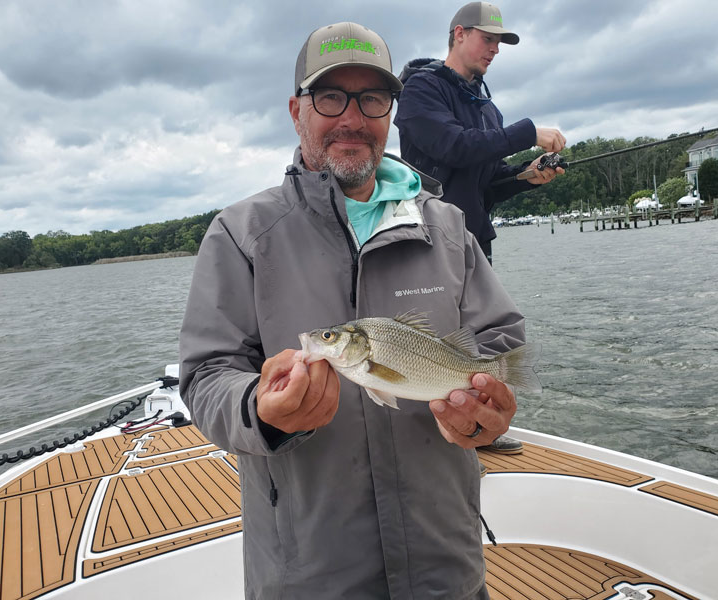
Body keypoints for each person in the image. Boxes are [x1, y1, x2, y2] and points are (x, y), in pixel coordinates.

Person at [180, 21, 527, 600]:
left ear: (390, 111)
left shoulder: (447, 226)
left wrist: (488, 412)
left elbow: (500, 342)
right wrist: (259, 410)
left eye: (371, 98)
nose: (352, 117)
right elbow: (206, 376)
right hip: (309, 573)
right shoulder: (240, 235)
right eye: (330, 96)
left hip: (446, 561)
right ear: (297, 111)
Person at [394, 2, 565, 455]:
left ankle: (475, 430)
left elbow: (485, 183)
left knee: (476, 340)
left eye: (500, 42)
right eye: (487, 39)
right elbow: (452, 147)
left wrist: (526, 176)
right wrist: (528, 131)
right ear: (457, 34)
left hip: (474, 243)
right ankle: (426, 439)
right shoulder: (419, 92)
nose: (494, 49)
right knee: (431, 340)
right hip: (425, 239)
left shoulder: (488, 110)